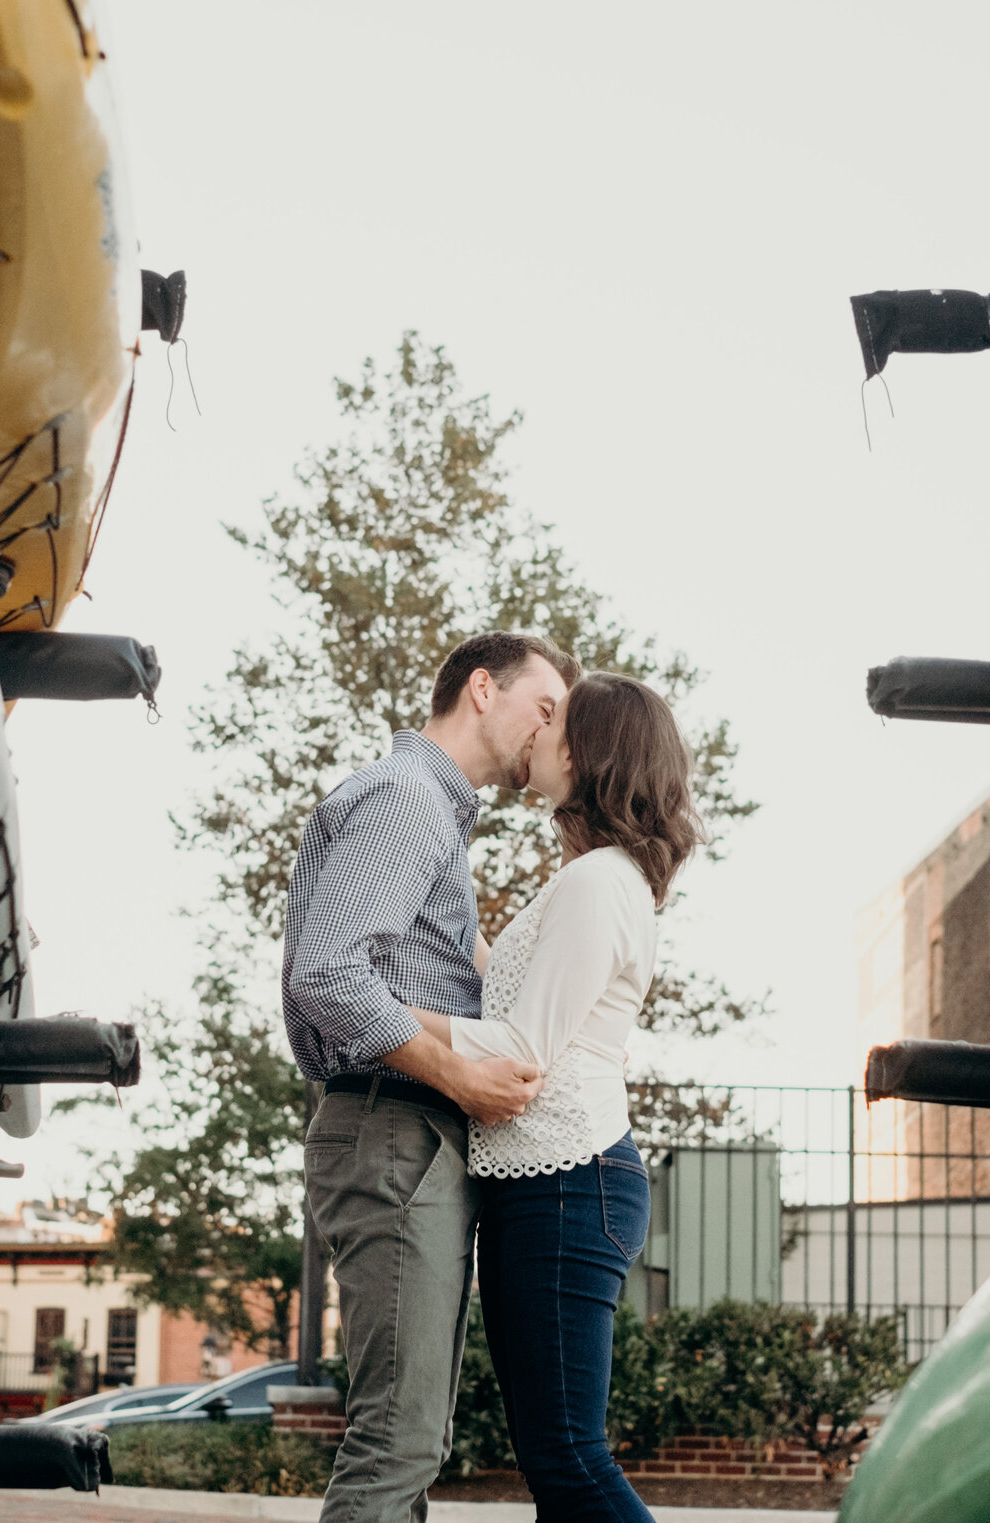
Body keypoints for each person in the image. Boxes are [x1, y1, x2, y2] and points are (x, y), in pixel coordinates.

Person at [284, 631, 581, 1523]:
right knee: (401, 1437)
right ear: (483, 689)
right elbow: (329, 975)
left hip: (399, 1130)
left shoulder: (430, 814)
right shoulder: (409, 800)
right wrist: (458, 1077)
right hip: (396, 1124)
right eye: (546, 706)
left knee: (411, 1436)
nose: (553, 728)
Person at [404, 672, 703, 1523]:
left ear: (589, 750)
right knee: (553, 1460)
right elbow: (512, 999)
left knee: (569, 1458)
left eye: (556, 719)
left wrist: (374, 1006)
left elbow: (523, 1050)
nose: (536, 731)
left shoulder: (599, 881)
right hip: (548, 1184)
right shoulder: (594, 878)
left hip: (568, 1184)